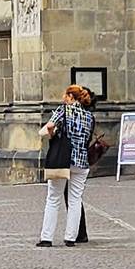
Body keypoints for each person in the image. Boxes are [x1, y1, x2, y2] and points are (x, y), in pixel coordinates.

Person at [37, 85, 96, 248]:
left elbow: (49, 126)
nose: (63, 97)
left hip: (63, 158)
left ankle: (46, 237)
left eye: (66, 94)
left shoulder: (64, 110)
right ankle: (71, 237)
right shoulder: (89, 116)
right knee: (75, 199)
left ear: (71, 96)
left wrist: (52, 134)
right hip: (81, 161)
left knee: (53, 197)